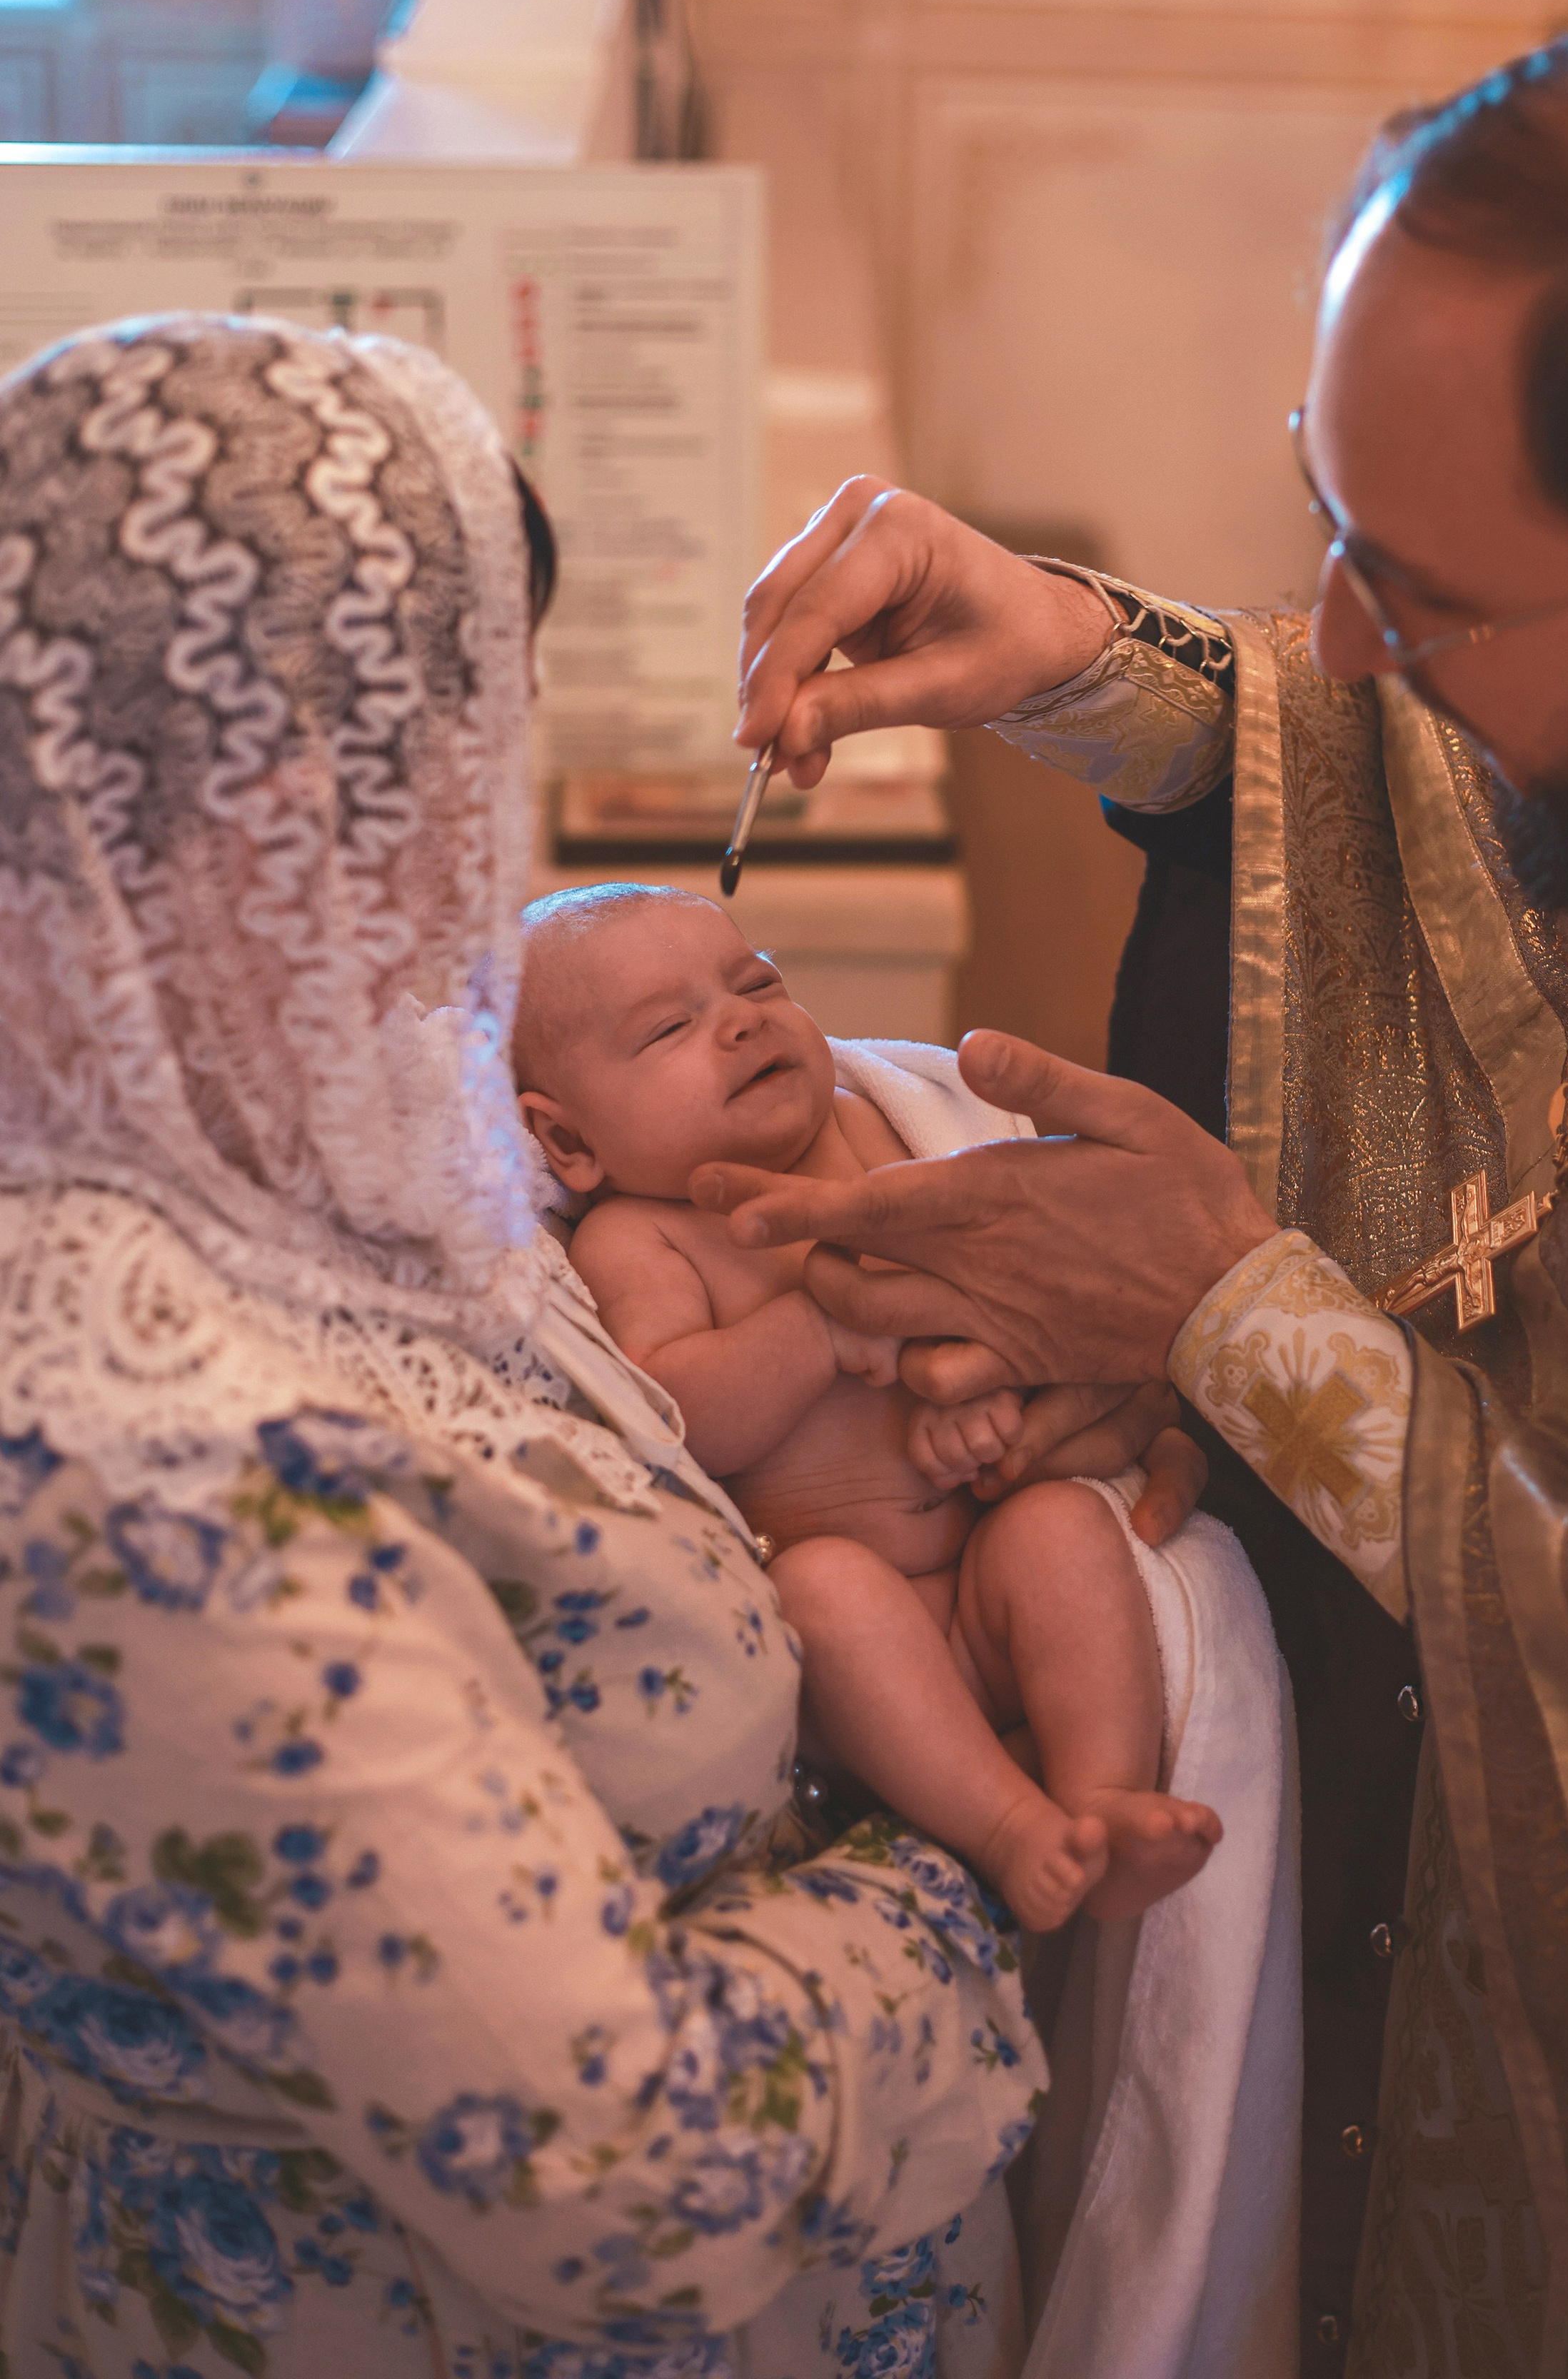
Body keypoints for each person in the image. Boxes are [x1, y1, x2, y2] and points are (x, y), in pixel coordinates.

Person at [689, 4, 1568, 2379]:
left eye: (1412, 596)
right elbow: (1510, 797)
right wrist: (1106, 668)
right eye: (1324, 521)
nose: (1337, 654)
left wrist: (1232, 1320)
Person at [0, 311, 1078, 2379]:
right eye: (481, 737)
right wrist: (950, 1862)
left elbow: (670, 1332)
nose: (493, 823)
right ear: (299, 793)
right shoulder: (141, 1463)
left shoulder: (327, 1134)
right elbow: (628, 2190)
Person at [512, 880, 1222, 1933]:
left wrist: (984, 1391)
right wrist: (816, 1332)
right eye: (670, 1026)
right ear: (570, 1144)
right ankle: (1007, 1831)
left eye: (756, 981)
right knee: (824, 1587)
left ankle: (1101, 1798)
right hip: (863, 1669)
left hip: (984, 1576)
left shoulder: (871, 1135)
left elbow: (1003, 1286)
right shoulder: (643, 1236)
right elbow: (673, 1415)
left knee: (1062, 1525)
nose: (743, 1017)